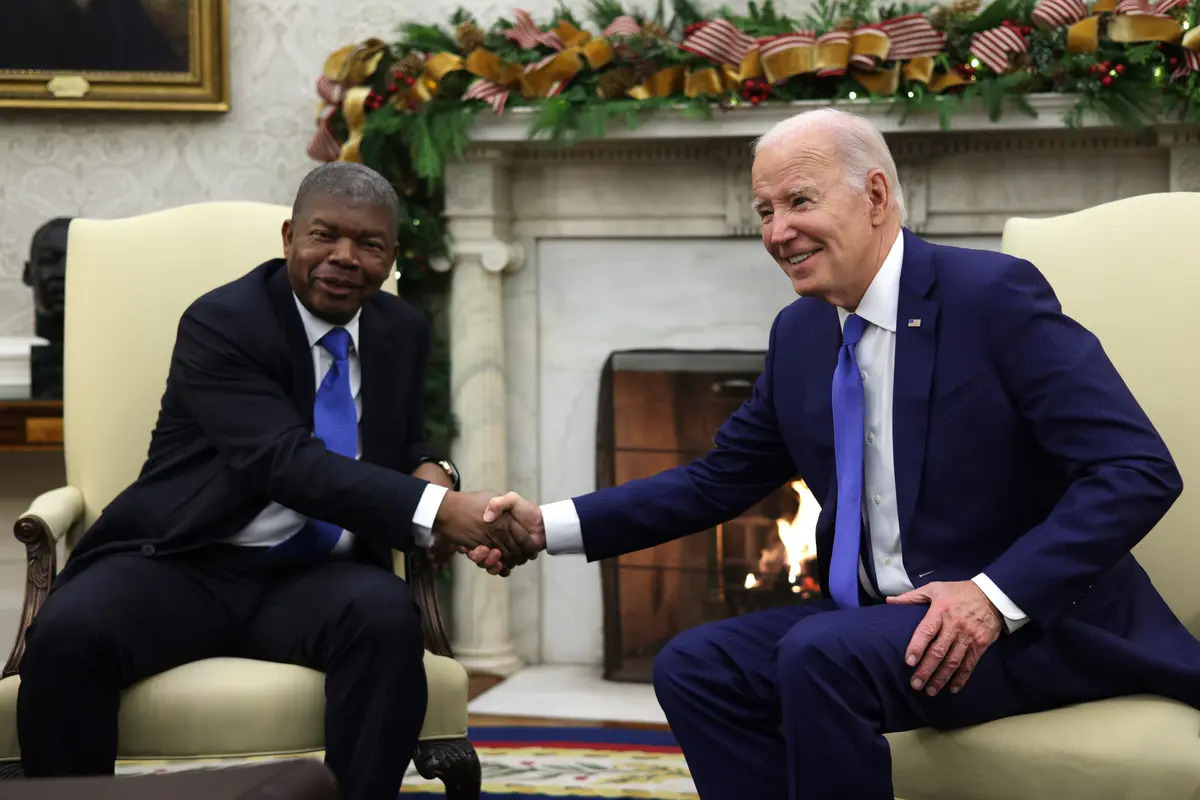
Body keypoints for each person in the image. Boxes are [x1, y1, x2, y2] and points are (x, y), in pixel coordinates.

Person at [469, 108, 1200, 798]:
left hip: (1028, 624)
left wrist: (991, 597)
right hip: (880, 623)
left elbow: (1136, 469)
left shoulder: (992, 298)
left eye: (799, 202)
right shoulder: (802, 334)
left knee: (821, 654)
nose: (778, 232)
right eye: (764, 212)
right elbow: (716, 481)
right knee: (695, 666)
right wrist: (543, 527)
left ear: (875, 195)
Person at [16, 162, 536, 800]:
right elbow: (285, 463)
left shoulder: (400, 330)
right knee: (69, 634)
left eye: (369, 244)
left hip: (315, 578)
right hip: (183, 561)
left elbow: (406, 446)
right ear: (290, 237)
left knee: (385, 619)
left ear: (392, 256)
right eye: (325, 236)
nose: (345, 258)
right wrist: (438, 509)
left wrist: (439, 480)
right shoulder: (224, 322)